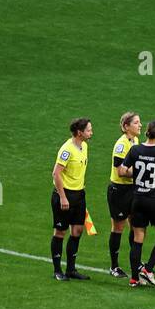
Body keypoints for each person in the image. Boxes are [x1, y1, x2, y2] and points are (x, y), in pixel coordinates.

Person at [119, 119, 155, 288]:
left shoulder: (135, 150)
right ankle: (148, 269)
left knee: (137, 239)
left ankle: (134, 278)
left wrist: (137, 174)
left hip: (138, 200)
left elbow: (122, 171)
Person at [50, 117, 94, 281]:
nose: (91, 132)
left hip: (79, 195)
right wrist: (63, 197)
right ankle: (57, 270)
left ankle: (71, 269)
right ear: (79, 132)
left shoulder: (84, 146)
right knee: (60, 232)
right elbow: (56, 173)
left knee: (77, 231)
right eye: (89, 130)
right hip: (64, 195)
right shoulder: (66, 150)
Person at [105, 111, 140, 278]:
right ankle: (114, 266)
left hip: (132, 190)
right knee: (118, 227)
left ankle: (135, 262)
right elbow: (120, 171)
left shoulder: (135, 140)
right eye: (136, 123)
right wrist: (141, 171)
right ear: (126, 127)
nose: (140, 125)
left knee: (135, 225)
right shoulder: (121, 145)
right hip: (119, 191)